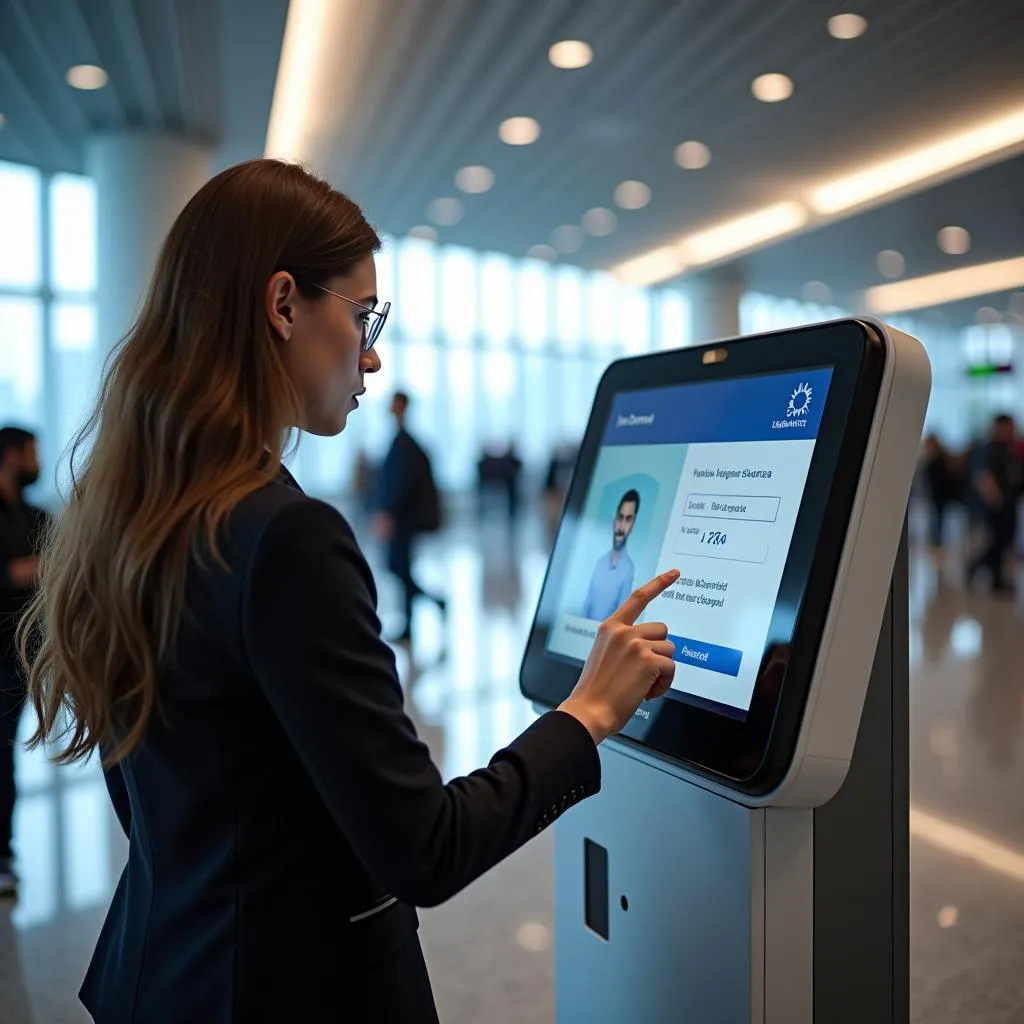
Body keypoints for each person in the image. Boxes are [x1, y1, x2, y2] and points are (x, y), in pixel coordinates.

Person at [17, 159, 681, 1024]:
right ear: (284, 303)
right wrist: (588, 711)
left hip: (163, 974)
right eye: (362, 315)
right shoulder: (282, 538)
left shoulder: (131, 518)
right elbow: (426, 849)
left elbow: (169, 810)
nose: (369, 353)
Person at [0, 426, 46, 898]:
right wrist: (20, 571)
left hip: (18, 657)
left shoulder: (33, 515)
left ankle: (3, 852)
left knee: (4, 754)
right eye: (32, 453)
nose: (37, 461)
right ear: (12, 456)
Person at [374, 391, 444, 643]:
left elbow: (402, 484)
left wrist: (388, 513)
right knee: (399, 568)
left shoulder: (406, 444)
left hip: (403, 521)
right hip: (403, 519)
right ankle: (432, 606)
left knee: (399, 567)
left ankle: (414, 622)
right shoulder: (401, 441)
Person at [967, 413, 1021, 595]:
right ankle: (984, 570)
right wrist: (995, 498)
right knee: (997, 540)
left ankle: (990, 572)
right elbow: (983, 476)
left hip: (1010, 502)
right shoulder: (990, 449)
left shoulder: (1010, 449)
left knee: (1005, 540)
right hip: (997, 504)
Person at [583, 489, 640, 621]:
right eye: (620, 517)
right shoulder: (600, 562)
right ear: (615, 520)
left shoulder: (629, 570)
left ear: (632, 525)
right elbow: (586, 607)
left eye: (628, 519)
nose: (621, 526)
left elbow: (621, 620)